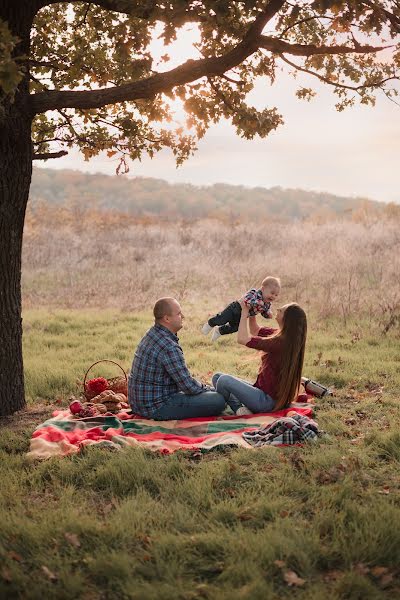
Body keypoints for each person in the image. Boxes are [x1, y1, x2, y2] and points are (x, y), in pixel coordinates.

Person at [128, 297, 226, 420]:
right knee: (218, 400)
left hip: (139, 404)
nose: (183, 316)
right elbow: (188, 386)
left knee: (207, 391)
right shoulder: (168, 346)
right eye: (179, 313)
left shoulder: (152, 333)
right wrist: (210, 389)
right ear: (167, 318)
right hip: (156, 407)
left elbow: (182, 380)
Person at [212, 300, 307, 415]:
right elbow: (255, 330)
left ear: (286, 319)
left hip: (267, 402)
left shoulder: (280, 342)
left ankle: (238, 408)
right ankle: (241, 409)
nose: (277, 310)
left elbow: (242, 339)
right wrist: (253, 311)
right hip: (261, 391)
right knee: (217, 377)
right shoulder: (280, 334)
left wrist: (244, 313)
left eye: (281, 311)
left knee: (224, 380)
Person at [201, 276, 281, 342]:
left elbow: (263, 313)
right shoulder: (254, 293)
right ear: (263, 289)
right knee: (222, 319)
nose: (273, 296)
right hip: (234, 309)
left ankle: (219, 331)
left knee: (235, 328)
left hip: (243, 316)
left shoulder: (267, 305)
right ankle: (210, 323)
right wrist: (260, 303)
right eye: (272, 293)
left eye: (276, 295)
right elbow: (247, 300)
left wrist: (267, 314)